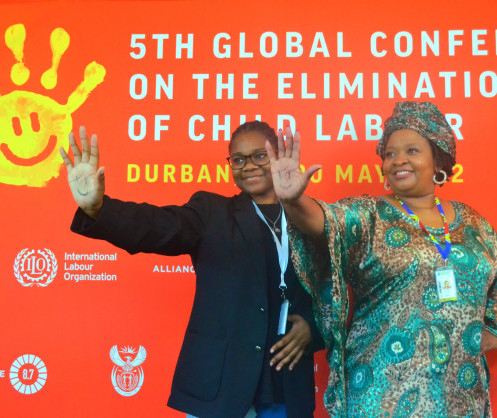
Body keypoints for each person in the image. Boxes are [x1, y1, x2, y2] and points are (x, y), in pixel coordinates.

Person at [59, 121, 323, 418]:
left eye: (259, 156)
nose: (248, 166)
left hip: (287, 384)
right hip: (220, 385)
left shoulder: (312, 218)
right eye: (238, 159)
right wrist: (98, 208)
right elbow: (157, 226)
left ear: (277, 155)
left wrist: (313, 329)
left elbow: (333, 290)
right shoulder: (211, 213)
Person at [266, 102, 497, 416]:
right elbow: (326, 222)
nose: (398, 160)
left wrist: (489, 333)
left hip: (460, 395)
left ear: (438, 159)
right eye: (390, 154)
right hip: (382, 394)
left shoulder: (473, 223)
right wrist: (294, 200)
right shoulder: (369, 214)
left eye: (412, 151)